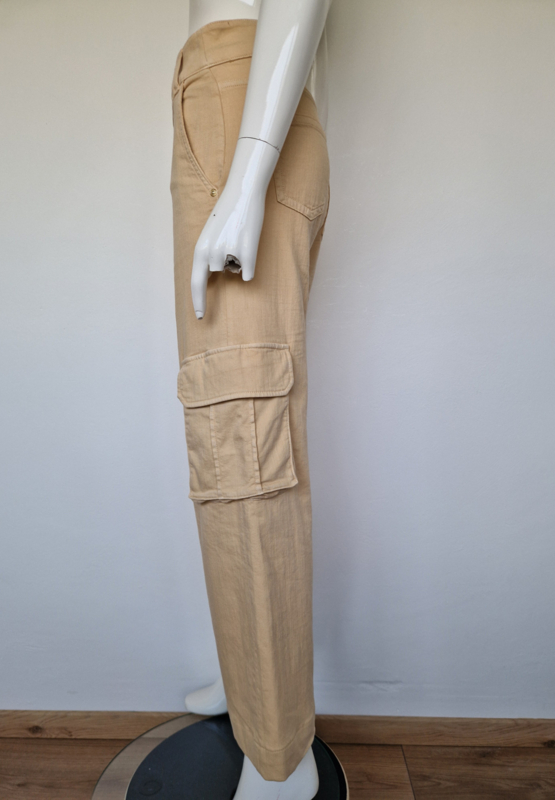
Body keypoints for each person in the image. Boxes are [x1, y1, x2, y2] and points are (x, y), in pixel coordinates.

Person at [170, 1, 332, 796]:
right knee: (225, 416)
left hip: (245, 103)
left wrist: (248, 177)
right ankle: (249, 681)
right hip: (224, 99)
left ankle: (277, 753)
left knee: (244, 434)